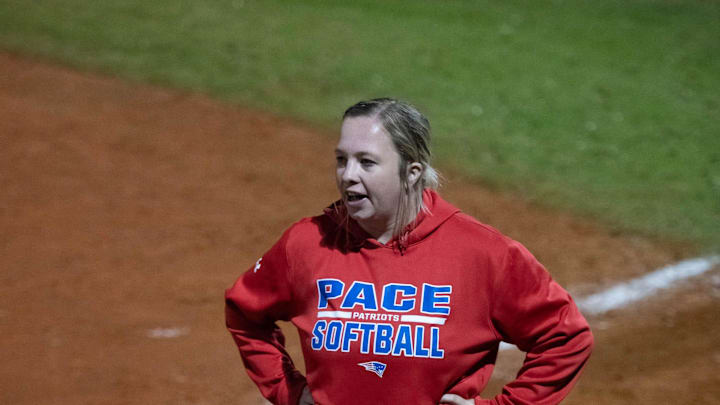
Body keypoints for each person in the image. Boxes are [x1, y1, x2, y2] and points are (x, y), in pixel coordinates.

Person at [225, 98, 593, 405]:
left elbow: (565, 337)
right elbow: (245, 312)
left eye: (367, 162)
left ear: (412, 171)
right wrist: (288, 390)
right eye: (342, 159)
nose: (348, 175)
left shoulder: (484, 255)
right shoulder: (307, 243)